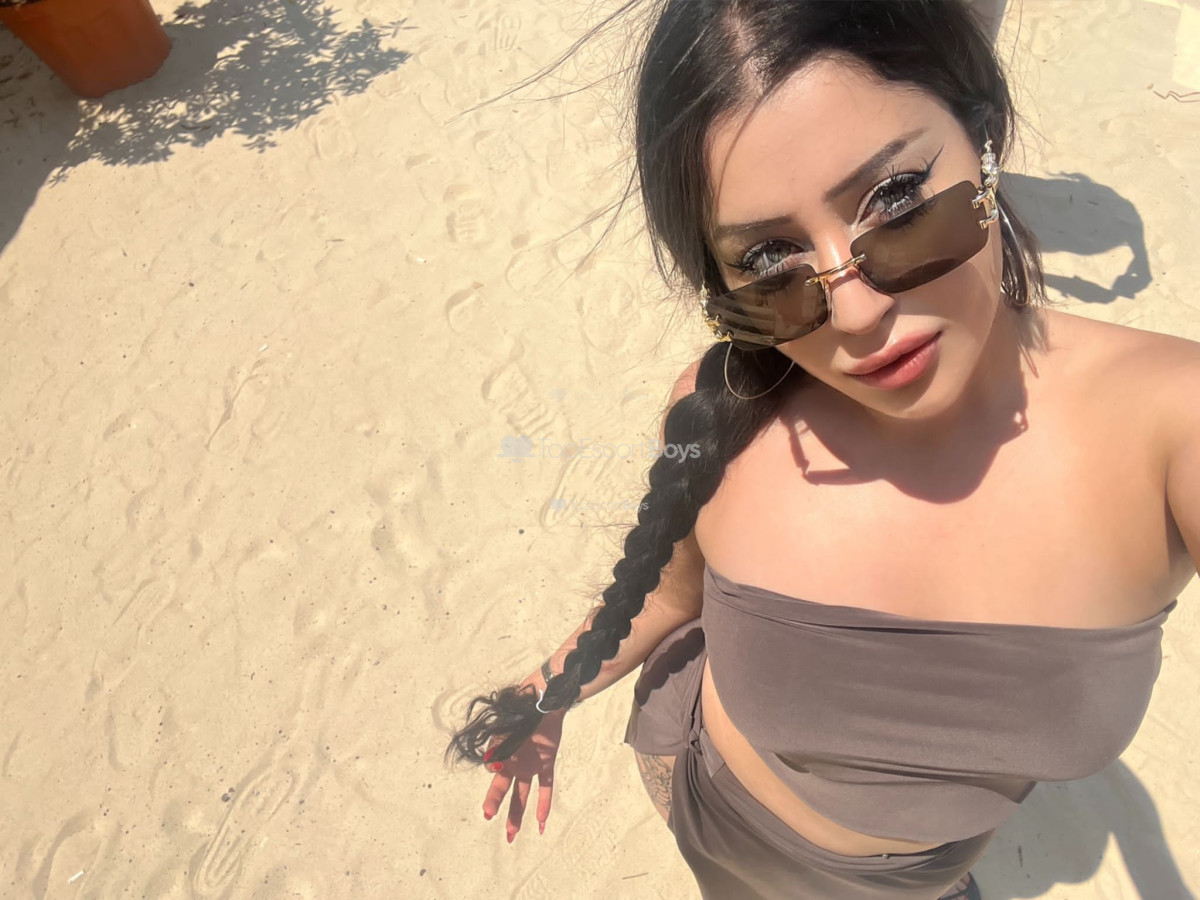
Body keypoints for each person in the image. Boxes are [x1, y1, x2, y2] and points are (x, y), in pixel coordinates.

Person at [445, 2, 1200, 898]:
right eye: (771, 262)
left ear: (985, 134)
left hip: (921, 875)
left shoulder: (1173, 423)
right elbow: (674, 596)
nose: (857, 313)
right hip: (713, 810)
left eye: (897, 201)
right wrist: (548, 695)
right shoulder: (728, 413)